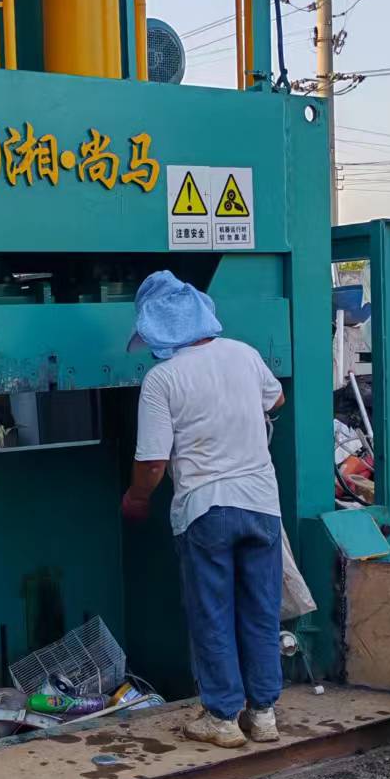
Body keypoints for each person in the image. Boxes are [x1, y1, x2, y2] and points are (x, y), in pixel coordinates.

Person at [121, 270, 285, 749]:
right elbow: (277, 397)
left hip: (206, 510)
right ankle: (264, 714)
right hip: (261, 505)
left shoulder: (162, 378)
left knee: (213, 613)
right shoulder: (244, 354)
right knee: (260, 612)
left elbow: (152, 463)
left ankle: (222, 717)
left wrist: (136, 498)